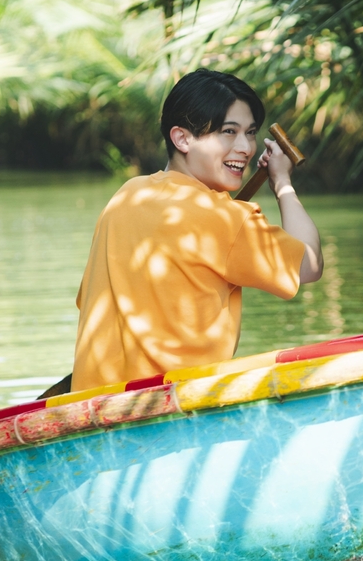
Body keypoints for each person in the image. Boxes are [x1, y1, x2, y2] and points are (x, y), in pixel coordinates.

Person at [70, 69, 322, 392]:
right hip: (168, 409)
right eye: (228, 132)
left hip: (92, 404)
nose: (245, 147)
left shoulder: (125, 196)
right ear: (182, 138)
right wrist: (283, 184)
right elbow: (310, 264)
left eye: (250, 132)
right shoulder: (223, 217)